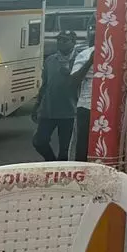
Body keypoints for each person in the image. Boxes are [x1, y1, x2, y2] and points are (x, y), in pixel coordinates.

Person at [31, 30, 80, 160]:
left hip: (70, 112)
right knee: (39, 141)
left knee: (65, 150)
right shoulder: (50, 60)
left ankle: (60, 172)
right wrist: (37, 105)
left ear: (73, 43)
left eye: (65, 40)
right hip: (49, 110)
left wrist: (69, 74)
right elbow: (45, 84)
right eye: (59, 40)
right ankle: (50, 161)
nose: (61, 43)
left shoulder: (79, 60)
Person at [69, 40, 95, 162]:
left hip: (110, 108)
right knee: (83, 144)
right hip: (86, 106)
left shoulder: (117, 52)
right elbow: (73, 81)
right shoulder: (85, 54)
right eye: (92, 29)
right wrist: (90, 61)